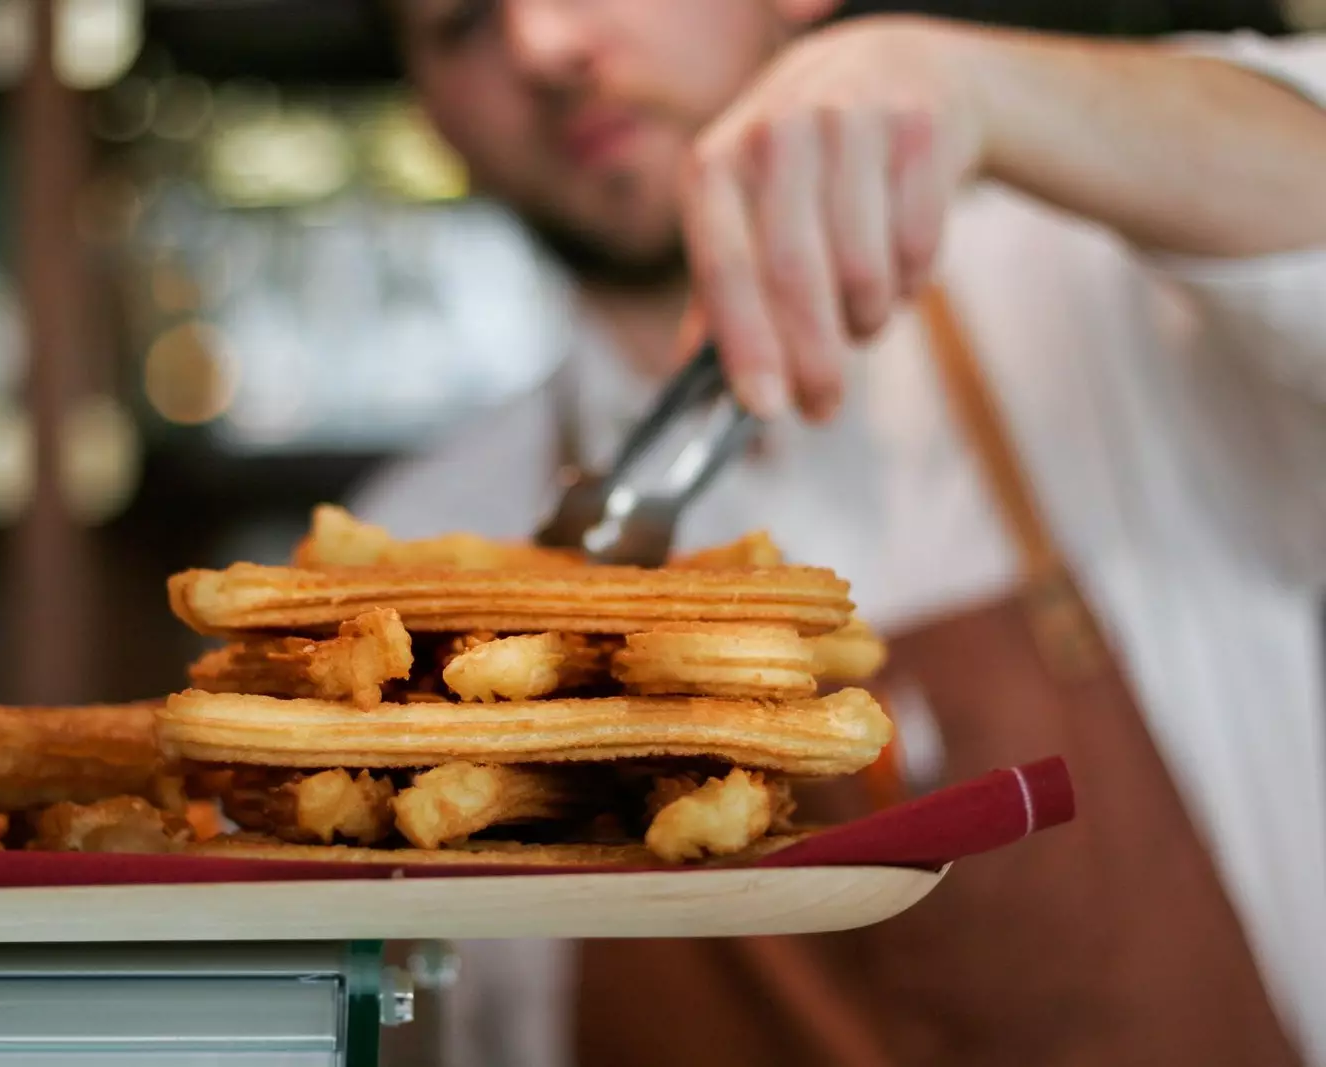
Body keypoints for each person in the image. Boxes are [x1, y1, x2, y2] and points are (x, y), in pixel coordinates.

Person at [348, 3, 1326, 1065]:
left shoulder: (1105, 298)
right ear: (429, 113)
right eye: (458, 24)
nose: (543, 47)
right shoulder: (412, 563)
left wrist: (967, 83)